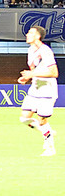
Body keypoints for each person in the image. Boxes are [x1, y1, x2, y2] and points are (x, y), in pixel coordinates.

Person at [19, 25, 58, 156]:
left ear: (37, 36)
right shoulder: (30, 50)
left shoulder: (45, 51)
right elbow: (36, 70)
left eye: (30, 33)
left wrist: (31, 74)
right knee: (24, 118)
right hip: (35, 89)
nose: (27, 35)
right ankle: (46, 131)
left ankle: (50, 148)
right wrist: (27, 78)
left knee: (42, 120)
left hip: (47, 90)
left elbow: (54, 72)